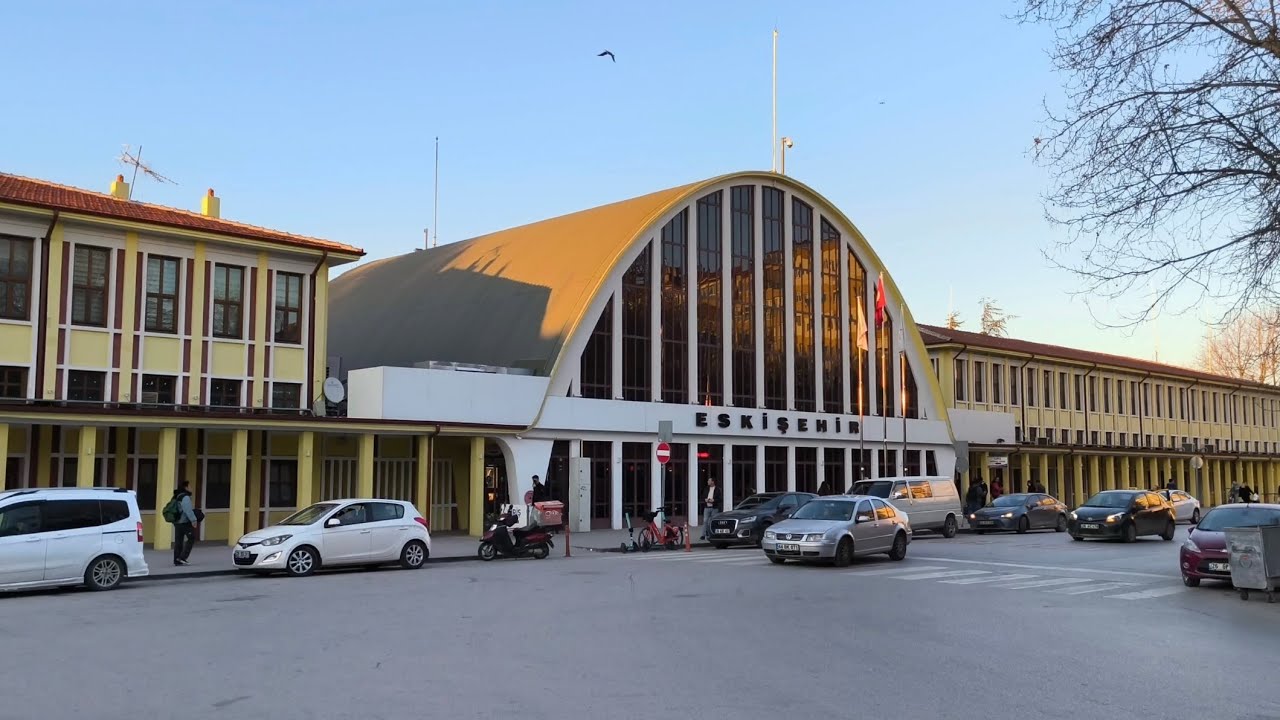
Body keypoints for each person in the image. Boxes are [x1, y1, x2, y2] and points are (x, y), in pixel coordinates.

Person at [171, 481, 198, 566]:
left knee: (178, 541)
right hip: (184, 522)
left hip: (177, 522)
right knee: (191, 538)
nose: (191, 488)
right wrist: (194, 520)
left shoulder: (177, 496)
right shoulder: (185, 497)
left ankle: (177, 560)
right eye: (190, 486)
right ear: (186, 487)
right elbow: (188, 510)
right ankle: (182, 557)